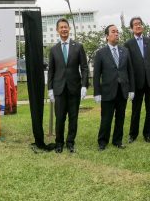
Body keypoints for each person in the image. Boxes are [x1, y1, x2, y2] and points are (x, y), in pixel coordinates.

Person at [48, 18, 89, 153]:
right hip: (59, 89)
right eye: (61, 27)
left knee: (73, 117)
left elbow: (84, 67)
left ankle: (70, 142)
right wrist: (50, 89)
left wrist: (84, 85)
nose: (64, 29)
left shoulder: (78, 46)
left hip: (74, 88)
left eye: (66, 27)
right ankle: (59, 143)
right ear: (57, 30)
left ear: (69, 29)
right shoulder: (53, 49)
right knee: (59, 118)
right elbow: (51, 71)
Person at [93, 24, 135, 151]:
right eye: (113, 31)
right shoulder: (100, 53)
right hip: (107, 91)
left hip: (122, 90)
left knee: (120, 117)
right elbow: (96, 75)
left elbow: (130, 71)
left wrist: (131, 89)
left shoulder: (125, 51)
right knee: (106, 118)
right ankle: (102, 141)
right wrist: (97, 92)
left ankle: (117, 140)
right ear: (107, 36)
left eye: (117, 32)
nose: (117, 34)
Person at [124, 17, 150, 143]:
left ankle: (147, 133)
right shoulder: (128, 44)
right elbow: (128, 66)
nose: (138, 26)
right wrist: (130, 85)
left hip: (149, 81)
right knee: (136, 110)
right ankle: (132, 134)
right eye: (135, 24)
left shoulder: (148, 40)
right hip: (136, 82)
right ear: (131, 28)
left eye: (140, 24)